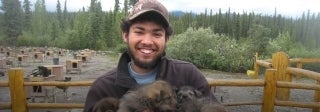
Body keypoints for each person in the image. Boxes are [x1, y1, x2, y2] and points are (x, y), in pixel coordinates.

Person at [83, 0, 221, 111]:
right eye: (139, 31)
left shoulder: (189, 75)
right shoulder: (103, 88)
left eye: (156, 34)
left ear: (166, 39)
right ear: (125, 35)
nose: (147, 41)